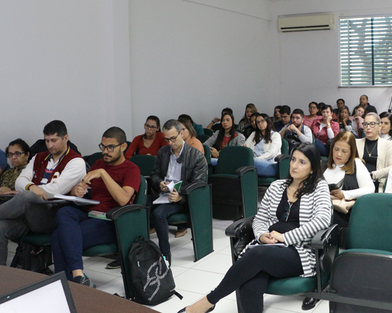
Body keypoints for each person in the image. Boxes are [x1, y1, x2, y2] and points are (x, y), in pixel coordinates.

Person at [179, 143, 330, 313]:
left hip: (298, 251)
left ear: (312, 169)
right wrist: (261, 234)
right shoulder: (276, 186)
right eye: (293, 159)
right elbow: (260, 218)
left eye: (302, 162)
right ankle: (207, 304)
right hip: (268, 246)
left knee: (256, 255)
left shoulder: (319, 187)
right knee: (250, 281)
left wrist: (285, 238)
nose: (294, 165)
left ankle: (209, 301)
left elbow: (322, 220)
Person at [0, 120, 86, 265]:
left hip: (51, 215)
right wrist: (31, 187)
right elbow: (19, 182)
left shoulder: (76, 161)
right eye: (47, 140)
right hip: (26, 213)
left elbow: (55, 190)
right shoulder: (39, 157)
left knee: (26, 195)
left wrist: (30, 189)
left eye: (54, 140)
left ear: (65, 138)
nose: (50, 145)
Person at [51, 127, 141, 287]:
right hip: (89, 214)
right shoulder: (99, 163)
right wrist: (76, 190)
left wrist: (103, 174)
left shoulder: (131, 169)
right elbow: (82, 186)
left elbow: (123, 200)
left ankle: (69, 282)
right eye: (103, 146)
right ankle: (77, 276)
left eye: (110, 147)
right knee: (64, 212)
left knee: (58, 237)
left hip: (111, 221)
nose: (105, 151)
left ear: (123, 147)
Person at [150, 120, 208, 261]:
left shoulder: (196, 156)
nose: (170, 143)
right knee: (138, 207)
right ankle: (141, 251)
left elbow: (199, 184)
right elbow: (155, 174)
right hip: (163, 193)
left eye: (173, 138)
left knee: (159, 214)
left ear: (182, 133)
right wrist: (160, 183)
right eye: (167, 139)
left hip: (182, 197)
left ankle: (164, 254)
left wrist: (181, 196)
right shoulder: (163, 152)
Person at [324, 131, 373, 227]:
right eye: (336, 149)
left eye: (344, 151)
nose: (338, 154)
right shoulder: (322, 165)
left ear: (351, 152)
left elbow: (370, 189)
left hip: (344, 220)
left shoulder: (356, 164)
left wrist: (345, 194)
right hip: (321, 216)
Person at [355, 113, 392, 191]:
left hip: (377, 184)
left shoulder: (388, 145)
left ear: (379, 126)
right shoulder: (355, 143)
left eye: (372, 124)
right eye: (365, 124)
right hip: (356, 183)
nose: (368, 127)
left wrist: (372, 175)